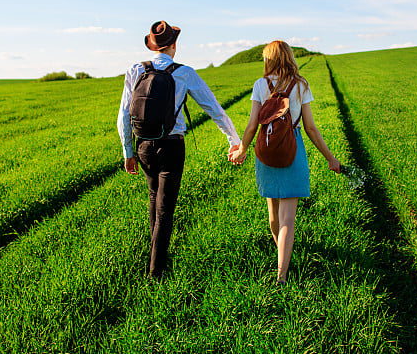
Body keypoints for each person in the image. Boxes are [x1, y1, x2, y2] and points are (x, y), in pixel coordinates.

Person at [117, 20, 241, 279]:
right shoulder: (184, 73)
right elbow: (213, 109)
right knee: (165, 210)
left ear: (153, 46)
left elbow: (124, 115)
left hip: (144, 146)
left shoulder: (136, 69)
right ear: (174, 45)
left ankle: (155, 259)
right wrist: (233, 139)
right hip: (172, 146)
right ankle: (157, 272)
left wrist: (128, 152)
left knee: (154, 199)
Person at [230, 40, 340, 284]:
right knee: (288, 218)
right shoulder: (301, 85)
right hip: (293, 148)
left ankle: (283, 255)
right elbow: (310, 127)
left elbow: (251, 125)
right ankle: (282, 274)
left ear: (269, 59)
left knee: (274, 215)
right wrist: (330, 158)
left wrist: (242, 149)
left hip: (267, 149)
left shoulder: (261, 85)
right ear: (289, 57)